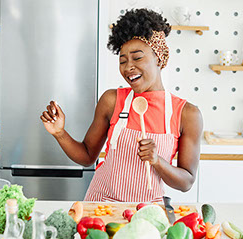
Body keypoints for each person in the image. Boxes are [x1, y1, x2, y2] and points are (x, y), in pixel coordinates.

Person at [40, 8, 203, 202]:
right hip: (101, 204)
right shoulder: (111, 101)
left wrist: (157, 161)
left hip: (147, 210)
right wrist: (60, 133)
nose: (128, 67)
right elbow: (86, 156)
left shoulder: (187, 114)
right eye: (122, 60)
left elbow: (186, 182)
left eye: (137, 57)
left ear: (159, 57)